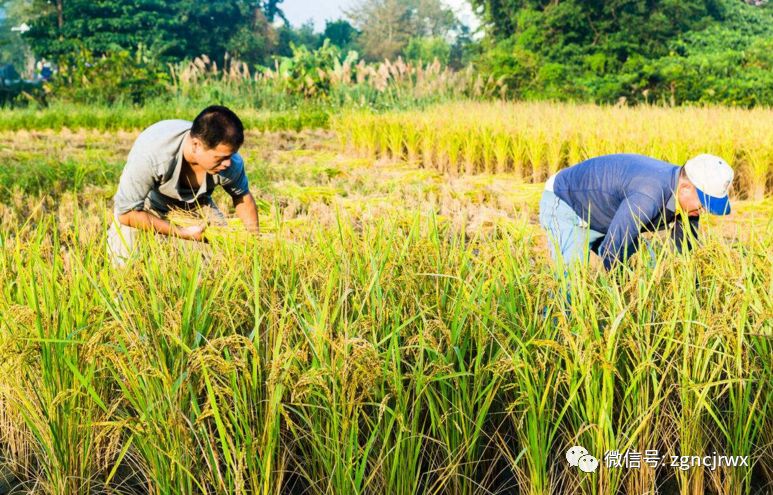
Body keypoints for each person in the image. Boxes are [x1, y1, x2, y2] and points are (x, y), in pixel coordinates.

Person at [107, 105, 260, 266]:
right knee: (122, 260)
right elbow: (127, 213)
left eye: (231, 155)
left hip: (197, 204)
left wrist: (253, 242)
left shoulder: (230, 163)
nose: (227, 163)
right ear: (196, 145)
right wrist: (182, 233)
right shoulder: (152, 155)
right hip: (148, 203)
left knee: (221, 261)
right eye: (220, 158)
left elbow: (242, 196)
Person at [538, 153, 734, 273]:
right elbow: (612, 249)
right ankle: (558, 332)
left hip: (605, 212)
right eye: (703, 203)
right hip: (567, 201)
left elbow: (685, 251)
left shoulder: (687, 203)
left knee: (641, 263)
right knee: (571, 286)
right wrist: (620, 298)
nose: (702, 210)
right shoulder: (649, 194)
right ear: (685, 188)